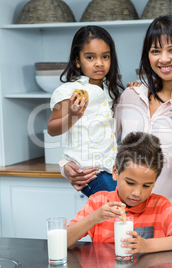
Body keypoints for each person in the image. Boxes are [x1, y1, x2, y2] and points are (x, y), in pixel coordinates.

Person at [63, 15, 172, 220]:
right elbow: (97, 140)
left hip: (167, 225)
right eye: (155, 51)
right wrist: (66, 166)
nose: (164, 59)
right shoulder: (131, 96)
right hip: (120, 220)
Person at [67, 131, 172, 254]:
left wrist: (146, 245)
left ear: (154, 182)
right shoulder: (98, 203)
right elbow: (63, 241)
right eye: (130, 183)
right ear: (115, 172)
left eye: (146, 185)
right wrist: (94, 218)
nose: (137, 193)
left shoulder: (160, 207)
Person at [47, 26, 124, 197]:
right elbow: (52, 128)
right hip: (89, 171)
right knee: (118, 210)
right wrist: (72, 117)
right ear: (77, 60)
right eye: (90, 57)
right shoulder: (70, 91)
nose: (99, 63)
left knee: (117, 215)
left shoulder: (109, 90)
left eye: (105, 56)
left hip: (110, 167)